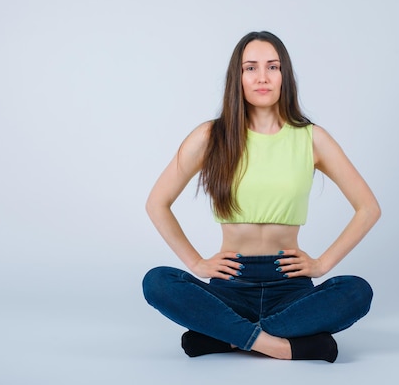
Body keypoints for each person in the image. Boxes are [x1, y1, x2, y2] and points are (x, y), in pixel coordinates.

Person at [142, 31, 381, 362]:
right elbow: (157, 203)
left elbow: (368, 207)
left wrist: (321, 264)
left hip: (290, 287)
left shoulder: (312, 138)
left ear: (285, 75)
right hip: (230, 284)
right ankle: (282, 346)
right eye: (250, 68)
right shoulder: (210, 136)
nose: (262, 77)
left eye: (273, 66)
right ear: (237, 77)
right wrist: (196, 263)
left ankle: (226, 336)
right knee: (157, 282)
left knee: (357, 291)